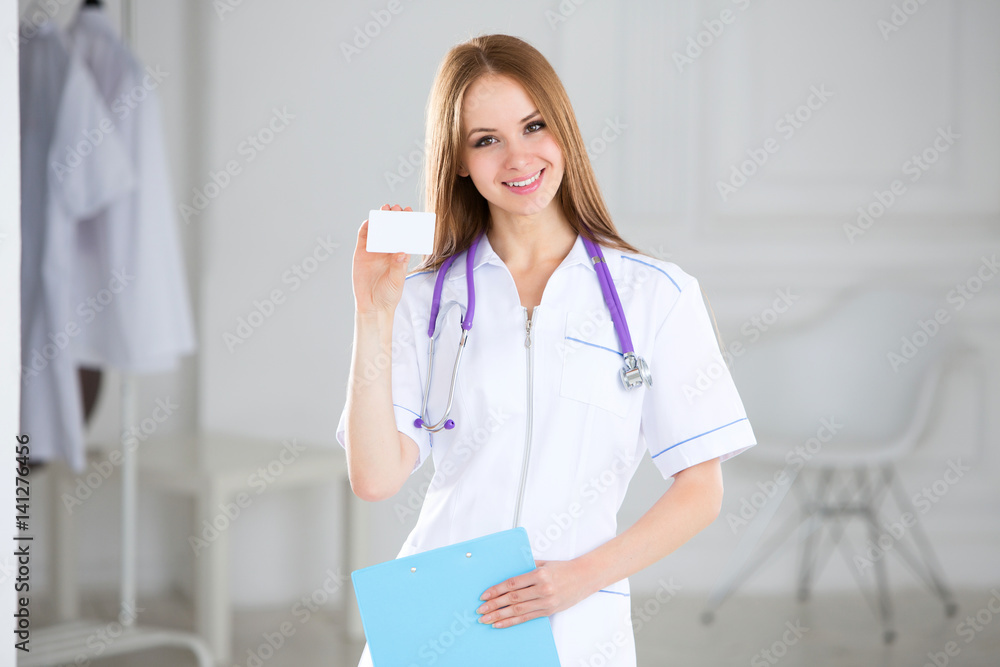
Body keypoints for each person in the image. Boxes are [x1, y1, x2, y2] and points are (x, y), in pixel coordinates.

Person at [336, 33, 756, 667]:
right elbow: (374, 478)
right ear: (458, 160)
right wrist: (373, 312)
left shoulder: (656, 297)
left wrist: (581, 577)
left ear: (564, 128)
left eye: (534, 126)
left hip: (581, 628)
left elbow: (702, 487)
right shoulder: (422, 300)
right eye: (486, 139)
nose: (518, 157)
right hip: (438, 622)